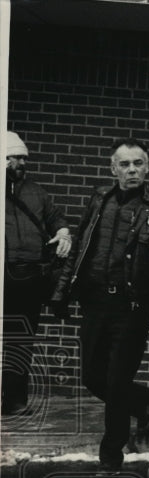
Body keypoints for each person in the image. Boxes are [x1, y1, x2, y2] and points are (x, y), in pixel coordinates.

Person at [49, 138, 149, 473]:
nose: (132, 170)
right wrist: (62, 293)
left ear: (147, 167)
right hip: (94, 302)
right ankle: (142, 400)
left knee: (117, 381)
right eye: (125, 164)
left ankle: (111, 456)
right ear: (112, 168)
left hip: (131, 307)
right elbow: (79, 250)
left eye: (139, 163)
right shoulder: (99, 199)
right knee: (92, 377)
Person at [2, 131, 72, 415]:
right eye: (14, 157)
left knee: (21, 339)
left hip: (29, 277)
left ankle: (14, 400)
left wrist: (64, 233)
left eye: (23, 158)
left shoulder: (37, 192)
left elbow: (57, 219)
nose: (21, 162)